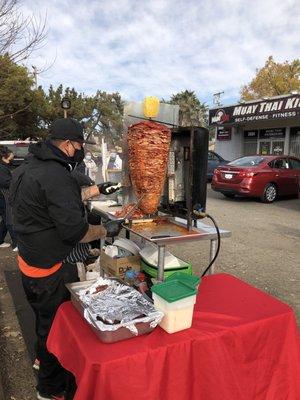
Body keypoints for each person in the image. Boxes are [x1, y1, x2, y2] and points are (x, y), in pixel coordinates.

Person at [9, 118, 123, 400]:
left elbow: (53, 200)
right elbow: (75, 231)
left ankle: (40, 358)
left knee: (43, 319)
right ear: (69, 144)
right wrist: (104, 229)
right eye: (79, 146)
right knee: (57, 327)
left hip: (29, 261)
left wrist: (98, 189)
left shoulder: (29, 168)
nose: (79, 151)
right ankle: (49, 389)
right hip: (50, 269)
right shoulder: (55, 174)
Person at [0, 146, 18, 250]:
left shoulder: (5, 166)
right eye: (11, 155)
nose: (13, 157)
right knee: (9, 219)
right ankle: (16, 244)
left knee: (5, 220)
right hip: (3, 197)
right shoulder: (2, 168)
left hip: (4, 196)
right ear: (5, 157)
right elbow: (6, 183)